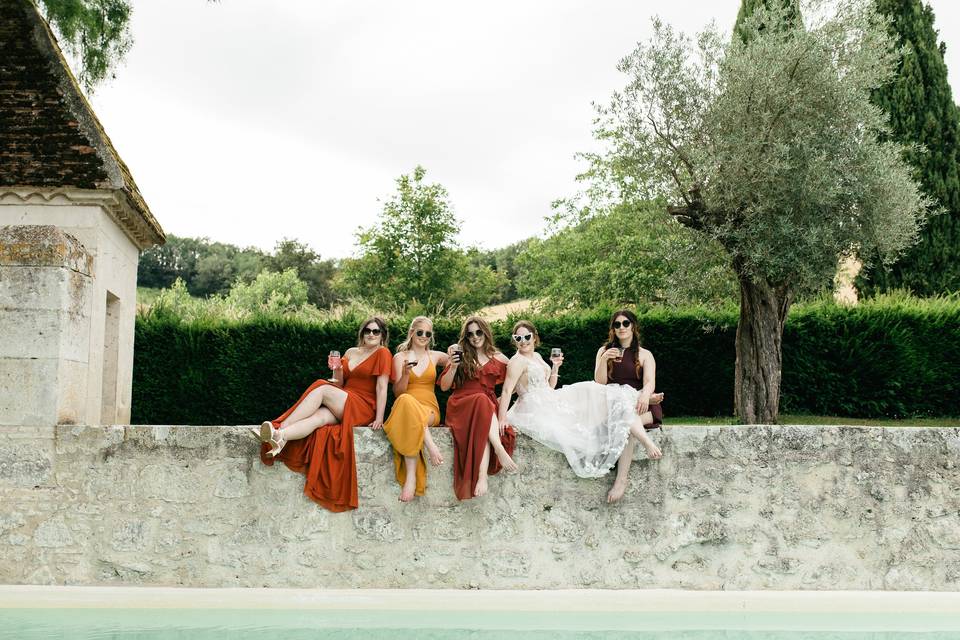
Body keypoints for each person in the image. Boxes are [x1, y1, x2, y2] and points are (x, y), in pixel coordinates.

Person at [499, 320, 662, 485]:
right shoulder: (516, 361)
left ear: (534, 337)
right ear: (514, 340)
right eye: (518, 338)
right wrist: (503, 418)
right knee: (589, 395)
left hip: (549, 397)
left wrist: (555, 368)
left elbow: (548, 386)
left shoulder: (537, 356)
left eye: (526, 336)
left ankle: (636, 399)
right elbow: (506, 391)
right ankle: (639, 398)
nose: (523, 341)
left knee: (595, 393)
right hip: (533, 407)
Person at [256, 316, 392, 512]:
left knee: (321, 387)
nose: (371, 334)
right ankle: (281, 437)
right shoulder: (351, 352)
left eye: (375, 331)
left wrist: (379, 417)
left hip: (362, 405)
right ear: (362, 333)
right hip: (345, 398)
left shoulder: (383, 353)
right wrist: (337, 369)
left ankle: (280, 426)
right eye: (367, 331)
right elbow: (339, 383)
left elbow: (381, 388)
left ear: (382, 336)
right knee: (318, 418)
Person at [438, 316, 518, 499]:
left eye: (478, 332)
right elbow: (443, 386)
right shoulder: (460, 355)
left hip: (486, 404)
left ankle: (482, 477)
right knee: (482, 401)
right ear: (466, 337)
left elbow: (514, 385)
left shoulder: (499, 358)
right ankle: (499, 449)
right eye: (470, 334)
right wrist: (453, 367)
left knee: (484, 403)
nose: (475, 337)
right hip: (461, 402)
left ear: (485, 332)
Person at [595, 309, 664, 503]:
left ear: (633, 326)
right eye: (617, 324)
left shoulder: (644, 354)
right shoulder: (604, 351)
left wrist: (644, 396)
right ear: (613, 329)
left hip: (641, 407)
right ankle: (647, 442)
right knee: (622, 419)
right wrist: (604, 360)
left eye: (626, 323)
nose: (621, 327)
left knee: (625, 422)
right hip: (614, 406)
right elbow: (600, 383)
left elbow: (650, 381)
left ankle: (621, 480)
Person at [382, 316, 449, 502]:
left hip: (430, 409)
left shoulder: (434, 356)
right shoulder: (400, 357)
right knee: (405, 399)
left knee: (413, 414)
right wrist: (405, 374)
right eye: (420, 332)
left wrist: (454, 351)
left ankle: (411, 475)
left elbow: (456, 355)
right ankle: (421, 460)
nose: (424, 336)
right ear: (412, 333)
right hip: (405, 406)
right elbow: (397, 392)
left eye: (428, 334)